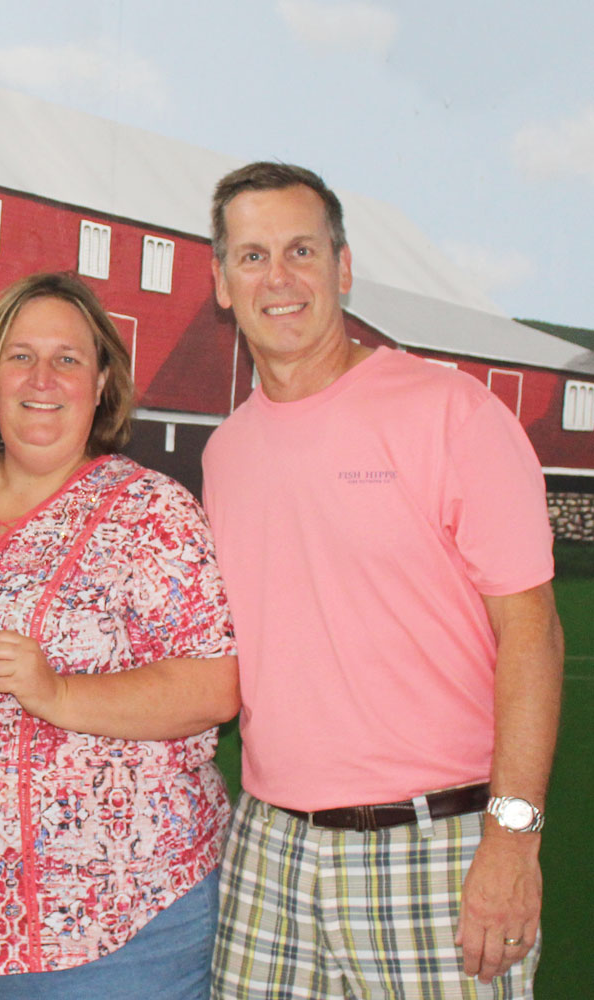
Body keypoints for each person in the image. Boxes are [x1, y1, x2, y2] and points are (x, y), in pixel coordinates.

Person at [203, 161, 563, 999]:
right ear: (221, 282)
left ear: (344, 267)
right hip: (270, 853)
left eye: (301, 250)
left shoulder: (452, 413)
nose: (279, 278)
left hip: (441, 850)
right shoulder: (227, 452)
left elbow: (533, 634)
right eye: (252, 257)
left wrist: (512, 844)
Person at [0, 271, 240, 999]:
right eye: (20, 356)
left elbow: (215, 688)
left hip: (107, 932)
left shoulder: (153, 512)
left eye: (68, 359)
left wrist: (55, 691)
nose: (42, 379)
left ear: (102, 385)